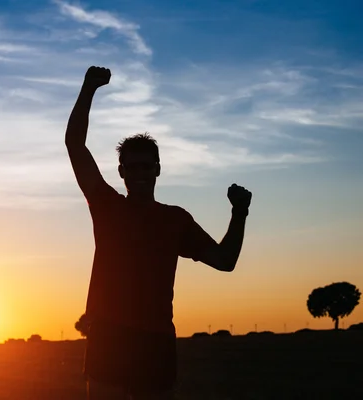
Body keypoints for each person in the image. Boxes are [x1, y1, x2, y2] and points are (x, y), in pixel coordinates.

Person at [65, 66, 252, 400]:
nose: (139, 173)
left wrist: (239, 213)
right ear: (121, 171)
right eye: (131, 167)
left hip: (156, 339)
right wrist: (89, 87)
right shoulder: (107, 206)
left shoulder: (175, 220)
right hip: (109, 334)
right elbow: (75, 144)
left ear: (158, 169)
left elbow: (225, 261)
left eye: (146, 166)